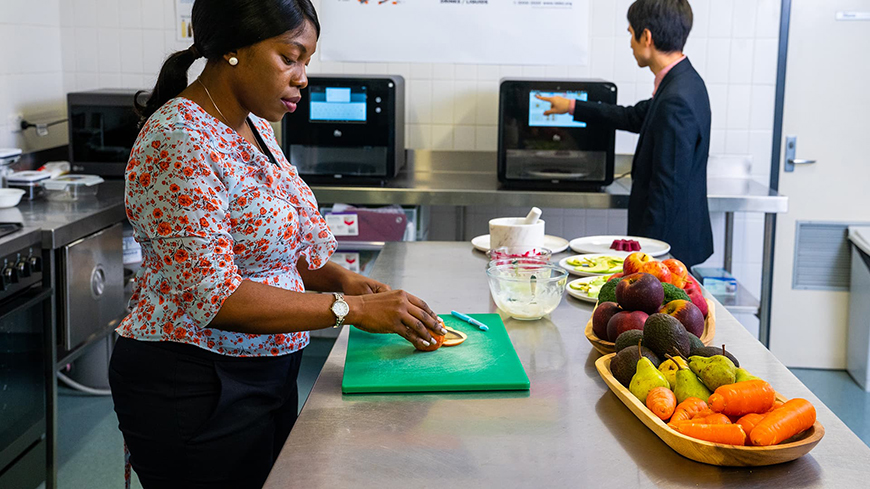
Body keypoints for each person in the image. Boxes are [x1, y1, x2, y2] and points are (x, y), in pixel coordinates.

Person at [109, 1, 446, 487]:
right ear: (233, 50)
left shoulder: (254, 127)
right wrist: (346, 308)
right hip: (195, 380)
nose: (303, 76)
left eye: (306, 61)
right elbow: (215, 295)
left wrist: (344, 280)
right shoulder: (179, 138)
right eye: (290, 57)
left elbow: (274, 247)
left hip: (265, 368)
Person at [537, 0, 713, 267]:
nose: (630, 42)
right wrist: (571, 106)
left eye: (631, 33)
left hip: (670, 250)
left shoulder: (676, 98)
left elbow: (667, 189)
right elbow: (633, 116)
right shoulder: (682, 82)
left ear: (647, 36)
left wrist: (646, 261)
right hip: (674, 241)